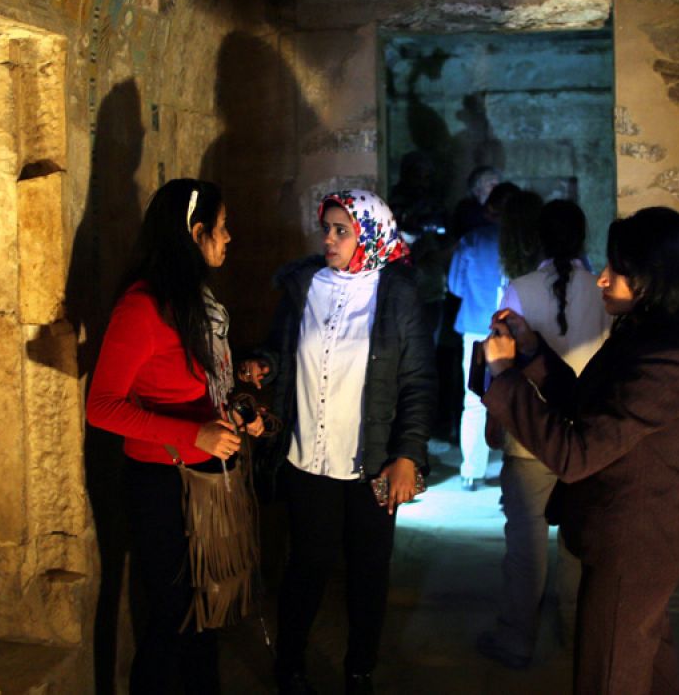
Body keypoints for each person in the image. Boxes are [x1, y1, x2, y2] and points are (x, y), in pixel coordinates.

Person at [482, 207, 679, 694]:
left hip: (630, 551)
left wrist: (506, 379)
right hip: (625, 546)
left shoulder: (667, 361)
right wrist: (530, 353)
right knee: (648, 676)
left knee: (608, 679)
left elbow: (575, 454)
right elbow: (583, 401)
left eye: (617, 270)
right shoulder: (643, 337)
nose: (602, 279)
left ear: (653, 279)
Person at [240, 190, 434, 695]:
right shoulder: (305, 286)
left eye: (340, 230)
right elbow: (281, 348)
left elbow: (417, 382)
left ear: (368, 233)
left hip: (372, 462)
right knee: (306, 567)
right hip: (309, 458)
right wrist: (265, 365)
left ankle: (359, 670)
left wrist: (408, 455)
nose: (328, 238)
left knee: (369, 572)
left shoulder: (397, 295)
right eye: (325, 228)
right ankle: (291, 665)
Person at [85, 179, 263, 695]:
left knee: (203, 618)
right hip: (163, 484)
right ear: (195, 231)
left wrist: (240, 413)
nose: (229, 238)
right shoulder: (142, 307)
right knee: (171, 623)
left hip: (202, 476)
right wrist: (193, 436)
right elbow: (102, 408)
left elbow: (206, 386)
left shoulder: (197, 303)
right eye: (222, 227)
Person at [476, 199, 607, 670]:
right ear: (583, 237)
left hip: (529, 434)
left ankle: (516, 639)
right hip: (586, 436)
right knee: (576, 543)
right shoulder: (600, 291)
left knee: (525, 545)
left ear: (539, 241)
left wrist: (495, 418)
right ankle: (575, 637)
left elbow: (501, 360)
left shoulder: (519, 289)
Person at [447, 181, 520, 490]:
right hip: (517, 329)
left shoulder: (471, 241)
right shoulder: (524, 244)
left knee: (474, 399)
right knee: (519, 396)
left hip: (477, 327)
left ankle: (471, 470)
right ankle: (516, 465)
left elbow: (455, 286)